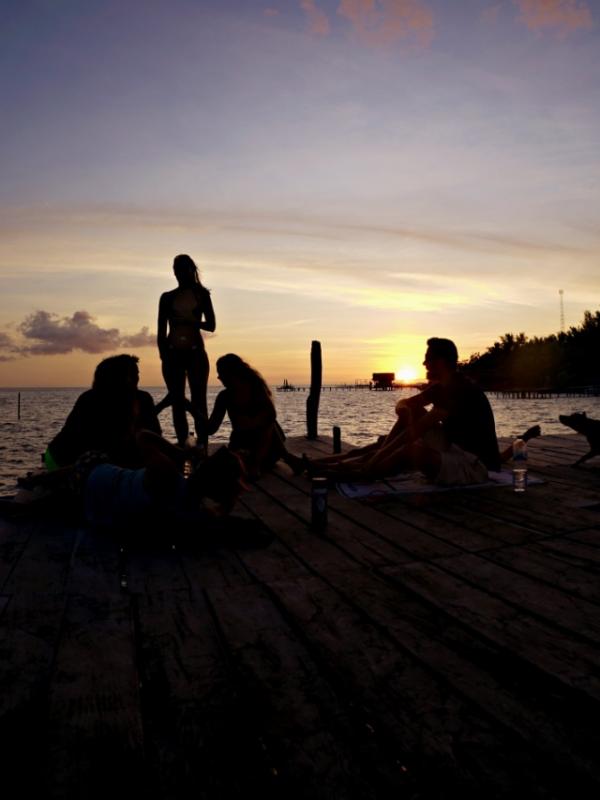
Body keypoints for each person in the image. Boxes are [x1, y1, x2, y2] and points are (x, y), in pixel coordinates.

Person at [304, 338, 502, 485]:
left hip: (476, 465)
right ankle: (339, 466)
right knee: (394, 435)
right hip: (455, 447)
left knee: (410, 450)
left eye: (428, 359)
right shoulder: (442, 386)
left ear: (440, 362)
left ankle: (362, 472)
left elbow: (416, 431)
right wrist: (404, 411)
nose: (424, 364)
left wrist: (377, 458)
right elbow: (404, 403)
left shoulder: (457, 389)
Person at [45, 354, 161, 470]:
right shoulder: (90, 399)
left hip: (101, 457)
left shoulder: (143, 398)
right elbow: (90, 442)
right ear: (115, 377)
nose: (136, 378)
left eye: (137, 374)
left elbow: (155, 433)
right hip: (61, 457)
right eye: (131, 375)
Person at [207, 353, 298, 479]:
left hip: (267, 449)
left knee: (268, 424)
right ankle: (288, 458)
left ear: (231, 373)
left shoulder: (256, 390)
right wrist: (191, 408)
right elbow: (211, 429)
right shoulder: (224, 397)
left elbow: (269, 419)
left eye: (221, 373)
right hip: (243, 448)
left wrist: (249, 424)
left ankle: (262, 462)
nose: (219, 377)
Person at [157, 254, 216, 446]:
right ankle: (183, 444)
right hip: (172, 353)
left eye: (183, 269)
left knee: (199, 401)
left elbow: (212, 325)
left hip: (196, 353)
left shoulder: (202, 295)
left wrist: (192, 321)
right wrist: (163, 355)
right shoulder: (167, 297)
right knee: (177, 401)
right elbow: (160, 332)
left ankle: (203, 446)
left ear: (191, 270)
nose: (179, 273)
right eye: (176, 269)